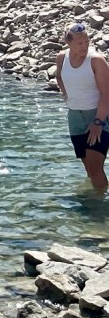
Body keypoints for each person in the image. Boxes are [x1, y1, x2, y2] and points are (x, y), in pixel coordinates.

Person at [55, 20, 109, 194]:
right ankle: (95, 199)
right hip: (75, 117)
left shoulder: (96, 61)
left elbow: (106, 94)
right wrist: (67, 95)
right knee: (88, 167)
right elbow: (60, 77)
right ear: (68, 42)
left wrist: (98, 122)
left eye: (87, 42)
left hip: (98, 115)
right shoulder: (62, 57)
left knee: (95, 167)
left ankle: (100, 211)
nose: (84, 46)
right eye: (79, 43)